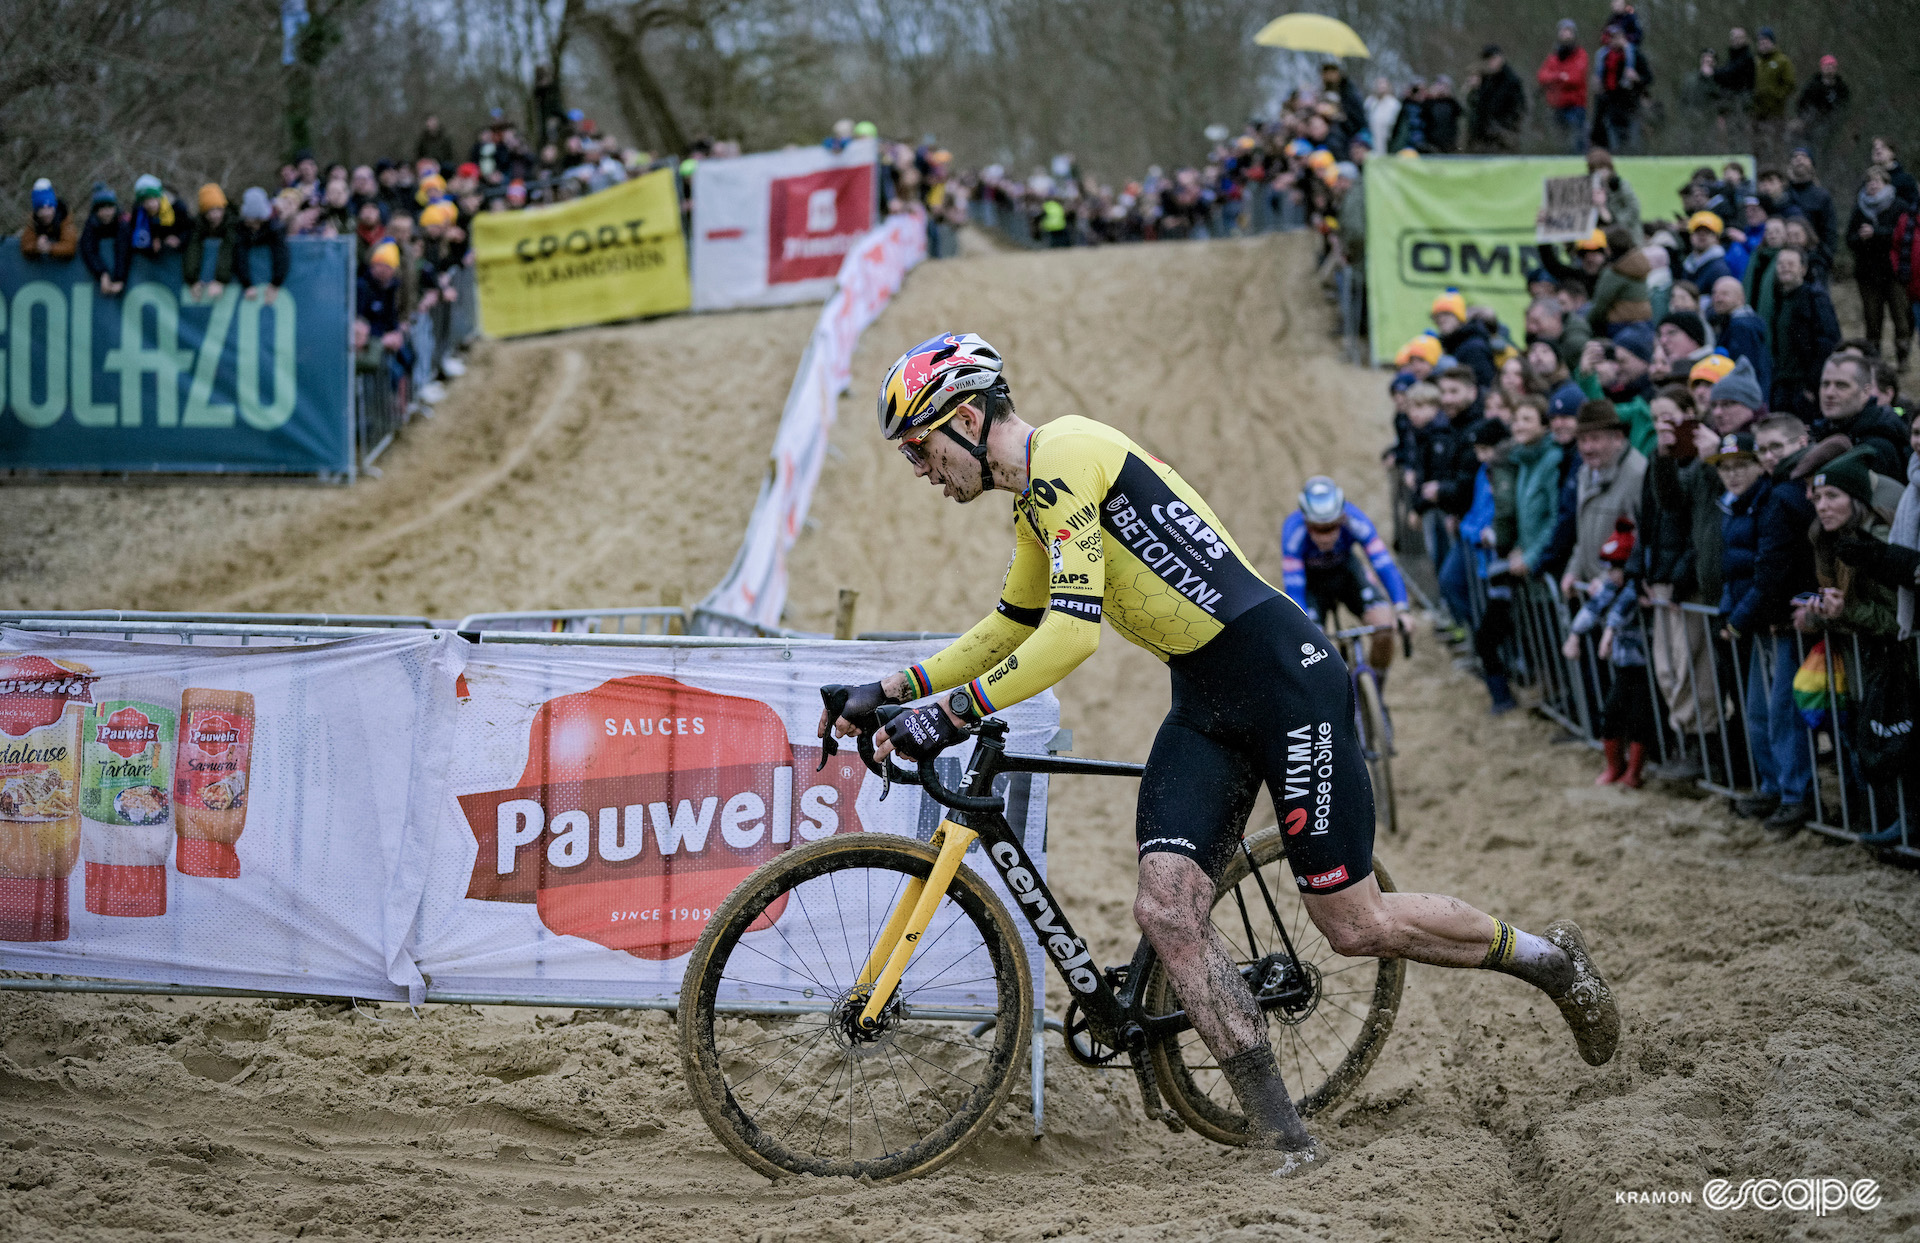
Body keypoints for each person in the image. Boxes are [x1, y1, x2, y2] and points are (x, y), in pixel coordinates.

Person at [825, 332, 1621, 1171]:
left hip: (1285, 679)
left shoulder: (1067, 455)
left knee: (1355, 925)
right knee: (1167, 908)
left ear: (966, 416)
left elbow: (1070, 637)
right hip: (1205, 699)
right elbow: (1012, 627)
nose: (920, 469)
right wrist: (893, 687)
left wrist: (951, 714)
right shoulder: (1034, 502)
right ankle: (1288, 1136)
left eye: (919, 447)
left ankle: (1550, 959)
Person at [1733, 414, 1819, 831]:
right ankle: (1775, 787)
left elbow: (1775, 568)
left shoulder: (1790, 494)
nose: (1768, 456)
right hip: (1774, 618)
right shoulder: (1773, 490)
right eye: (1762, 449)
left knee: (1784, 710)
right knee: (1763, 710)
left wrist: (1743, 617)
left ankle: (1793, 795)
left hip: (1789, 619)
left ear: (1801, 441)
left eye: (1776, 448)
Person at [1280, 477, 1412, 675]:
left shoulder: (1355, 520)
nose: (1326, 536)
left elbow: (1383, 564)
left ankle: (1376, 694)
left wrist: (1401, 607)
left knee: (1384, 628)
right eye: (1318, 529)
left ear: (1342, 519)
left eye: (1332, 527)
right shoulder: (1293, 532)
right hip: (1311, 585)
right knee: (1313, 649)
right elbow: (1295, 589)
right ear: (1306, 523)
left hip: (1347, 575)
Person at [1563, 517, 1654, 786]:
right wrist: (1574, 634)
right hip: (1624, 665)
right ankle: (1615, 766)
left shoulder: (1636, 586)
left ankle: (1634, 773)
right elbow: (1593, 608)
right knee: (1612, 713)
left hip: (1644, 664)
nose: (1614, 573)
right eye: (1610, 567)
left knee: (1640, 718)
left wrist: (1609, 633)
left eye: (1619, 567)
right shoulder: (1611, 586)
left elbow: (1621, 609)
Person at [1458, 418, 1521, 712]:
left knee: (1489, 637)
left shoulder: (1505, 472)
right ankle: (1503, 695)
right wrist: (1474, 533)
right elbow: (1473, 519)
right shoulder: (1485, 473)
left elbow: (1502, 516)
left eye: (1486, 449)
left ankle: (1504, 698)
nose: (1481, 456)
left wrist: (1490, 535)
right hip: (1492, 567)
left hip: (1508, 567)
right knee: (1492, 635)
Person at [1560, 400, 1647, 596]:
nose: (1587, 448)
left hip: (1622, 592)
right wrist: (1574, 571)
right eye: (1582, 440)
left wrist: (1607, 579)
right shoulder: (1585, 473)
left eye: (1595, 439)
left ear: (1617, 438)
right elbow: (1583, 534)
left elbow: (1639, 538)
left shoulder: (1637, 474)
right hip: (1594, 591)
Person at [1811, 354, 1910, 478]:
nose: (1829, 393)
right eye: (1825, 384)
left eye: (1841, 385)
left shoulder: (1878, 446)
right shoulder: (1819, 432)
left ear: (1866, 392)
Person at [1766, 248, 1838, 418]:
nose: (1785, 268)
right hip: (1781, 384)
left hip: (1803, 386)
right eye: (1781, 264)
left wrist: (1813, 385)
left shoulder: (1815, 298)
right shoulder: (1778, 300)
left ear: (1803, 269)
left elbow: (1828, 342)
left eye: (1791, 264)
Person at [1849, 166, 1910, 367]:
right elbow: (1849, 239)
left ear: (1886, 184)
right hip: (1868, 273)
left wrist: (1877, 233)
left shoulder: (1899, 206)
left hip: (1894, 272)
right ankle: (1873, 361)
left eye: (1876, 181)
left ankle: (1903, 357)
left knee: (1901, 318)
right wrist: (1861, 237)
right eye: (1869, 182)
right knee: (1872, 320)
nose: (1872, 185)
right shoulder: (1859, 208)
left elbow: (1903, 235)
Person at [1707, 277, 1771, 394]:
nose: (1717, 299)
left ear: (1741, 298)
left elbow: (1745, 368)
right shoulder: (1734, 323)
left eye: (1725, 294)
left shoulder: (1740, 327)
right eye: (1715, 293)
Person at [1592, 26, 1650, 153]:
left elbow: (1649, 78)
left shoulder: (1635, 55)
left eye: (1617, 37)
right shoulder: (1603, 57)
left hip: (1631, 106)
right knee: (1615, 147)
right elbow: (1600, 84)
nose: (1614, 40)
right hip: (1611, 107)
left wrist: (1637, 78)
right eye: (1612, 37)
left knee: (1634, 145)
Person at [1585, 228, 1653, 337]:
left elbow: (1601, 304)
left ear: (1609, 248)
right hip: (1645, 321)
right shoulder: (1638, 264)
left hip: (1620, 324)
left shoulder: (1615, 271)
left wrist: (1586, 322)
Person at [1538, 20, 1590, 153]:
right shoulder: (1553, 57)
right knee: (1558, 145)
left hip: (1575, 106)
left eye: (1569, 31)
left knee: (1576, 144)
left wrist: (1554, 78)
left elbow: (1575, 78)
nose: (1565, 34)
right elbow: (1542, 76)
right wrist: (1559, 76)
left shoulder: (1580, 55)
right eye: (1563, 31)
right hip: (1556, 106)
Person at [230, 187, 288, 304]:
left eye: (258, 221)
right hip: (248, 283)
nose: (255, 226)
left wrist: (275, 284)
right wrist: (246, 284)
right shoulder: (241, 228)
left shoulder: (274, 227)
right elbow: (239, 255)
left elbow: (281, 255)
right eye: (252, 221)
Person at [1784, 147, 1838, 264]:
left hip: (1815, 258)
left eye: (1804, 156)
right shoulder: (1783, 194)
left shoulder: (1822, 196)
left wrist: (1825, 257)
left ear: (1812, 164)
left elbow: (1830, 231)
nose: (1799, 159)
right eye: (1795, 157)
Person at [1750, 28, 1796, 163]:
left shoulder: (1782, 61)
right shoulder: (1755, 62)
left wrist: (1776, 95)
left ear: (1772, 43)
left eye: (1766, 41)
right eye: (1760, 42)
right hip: (1756, 114)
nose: (1763, 45)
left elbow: (1790, 84)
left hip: (1776, 114)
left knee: (1776, 147)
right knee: (1757, 148)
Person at [181, 184, 235, 299]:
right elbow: (193, 251)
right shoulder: (198, 226)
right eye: (210, 211)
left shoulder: (232, 225)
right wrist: (193, 279)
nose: (215, 215)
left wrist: (221, 280)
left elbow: (227, 251)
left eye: (218, 209)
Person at [1468, 45, 1525, 151]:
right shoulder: (1486, 80)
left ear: (1500, 58)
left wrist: (1505, 127)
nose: (1490, 62)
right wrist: (1475, 90)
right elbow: (1475, 107)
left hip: (1502, 133)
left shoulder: (1511, 81)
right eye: (1488, 60)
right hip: (1483, 134)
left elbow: (1519, 107)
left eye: (1492, 58)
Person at [77, 182, 130, 297]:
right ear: (96, 210)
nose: (107, 212)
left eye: (110, 208)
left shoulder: (123, 223)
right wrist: (102, 274)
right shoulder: (91, 223)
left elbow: (123, 250)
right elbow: (88, 249)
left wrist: (119, 279)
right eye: (103, 208)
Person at [1793, 55, 1850, 160]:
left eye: (1831, 66)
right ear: (1822, 68)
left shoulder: (1841, 87)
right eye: (1826, 66)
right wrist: (1801, 118)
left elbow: (1844, 106)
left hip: (1830, 122)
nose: (1829, 69)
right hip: (1810, 119)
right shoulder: (1813, 85)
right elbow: (1802, 102)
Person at [18, 178, 77, 261]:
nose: (46, 213)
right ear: (36, 211)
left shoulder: (64, 217)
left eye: (49, 207)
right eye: (41, 208)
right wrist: (37, 246)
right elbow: (26, 245)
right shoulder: (34, 221)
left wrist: (50, 248)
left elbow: (70, 246)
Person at [1679, 212, 1733, 292]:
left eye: (1707, 232)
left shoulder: (1719, 269)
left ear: (1716, 237)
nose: (1702, 235)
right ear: (1691, 236)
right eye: (1697, 231)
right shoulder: (1689, 263)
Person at [1365, 78, 1401, 156]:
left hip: (1388, 139)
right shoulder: (1370, 102)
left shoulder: (1394, 104)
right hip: (1372, 138)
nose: (1381, 88)